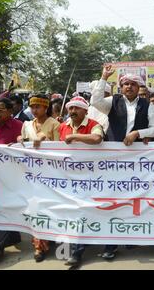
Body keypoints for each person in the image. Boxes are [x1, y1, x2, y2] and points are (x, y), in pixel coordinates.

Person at [91, 66, 154, 260]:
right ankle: (110, 245)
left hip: (138, 161)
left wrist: (138, 133)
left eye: (133, 84)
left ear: (139, 87)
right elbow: (95, 101)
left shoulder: (148, 105)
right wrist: (104, 77)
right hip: (114, 160)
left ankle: (132, 236)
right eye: (125, 84)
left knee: (135, 199)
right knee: (113, 199)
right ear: (120, 87)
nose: (129, 87)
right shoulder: (112, 102)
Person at [59, 97, 104, 267]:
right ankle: (75, 247)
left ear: (85, 110)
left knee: (83, 213)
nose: (72, 111)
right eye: (70, 108)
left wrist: (75, 136)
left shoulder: (94, 124)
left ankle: (77, 252)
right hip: (68, 178)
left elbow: (97, 139)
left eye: (77, 108)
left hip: (92, 179)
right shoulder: (63, 126)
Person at [18, 94, 60, 262]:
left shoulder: (55, 124)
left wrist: (45, 138)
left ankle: (50, 238)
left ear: (45, 107)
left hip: (50, 175)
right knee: (36, 209)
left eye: (38, 107)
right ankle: (38, 247)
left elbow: (59, 150)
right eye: (32, 107)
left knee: (49, 209)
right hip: (31, 174)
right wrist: (19, 139)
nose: (34, 110)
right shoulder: (26, 124)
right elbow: (23, 144)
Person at [0, 98, 23, 264]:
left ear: (10, 111)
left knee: (7, 209)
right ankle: (12, 236)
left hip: (14, 179)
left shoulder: (21, 127)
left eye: (0, 110)